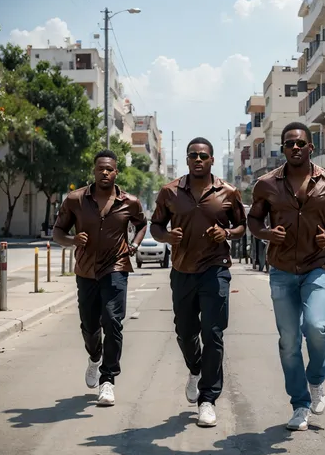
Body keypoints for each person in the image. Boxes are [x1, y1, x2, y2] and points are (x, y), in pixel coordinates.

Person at [248, 122, 325, 431]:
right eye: (289, 143)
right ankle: (299, 405)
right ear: (282, 149)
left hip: (317, 266)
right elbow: (254, 220)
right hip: (281, 270)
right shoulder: (265, 184)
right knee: (289, 341)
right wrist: (267, 233)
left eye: (300, 143)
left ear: (311, 147)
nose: (295, 147)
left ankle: (317, 379)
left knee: (316, 327)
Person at [150, 137, 247, 427]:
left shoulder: (228, 192)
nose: (198, 159)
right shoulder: (169, 192)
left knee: (213, 333)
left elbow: (242, 226)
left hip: (215, 269)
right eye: (193, 155)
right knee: (184, 330)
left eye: (203, 155)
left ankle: (207, 399)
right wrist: (166, 237)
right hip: (182, 270)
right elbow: (155, 226)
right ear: (187, 159)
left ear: (212, 160)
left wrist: (227, 234)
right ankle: (195, 368)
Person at [53, 149, 147, 407]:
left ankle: (108, 381)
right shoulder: (75, 200)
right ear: (94, 171)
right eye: (100, 169)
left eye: (109, 169)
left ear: (116, 172)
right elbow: (58, 232)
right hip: (85, 271)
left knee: (113, 321)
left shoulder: (130, 202)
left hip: (116, 267)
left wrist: (135, 245)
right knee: (89, 326)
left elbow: (141, 224)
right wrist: (73, 239)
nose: (105, 172)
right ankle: (95, 358)